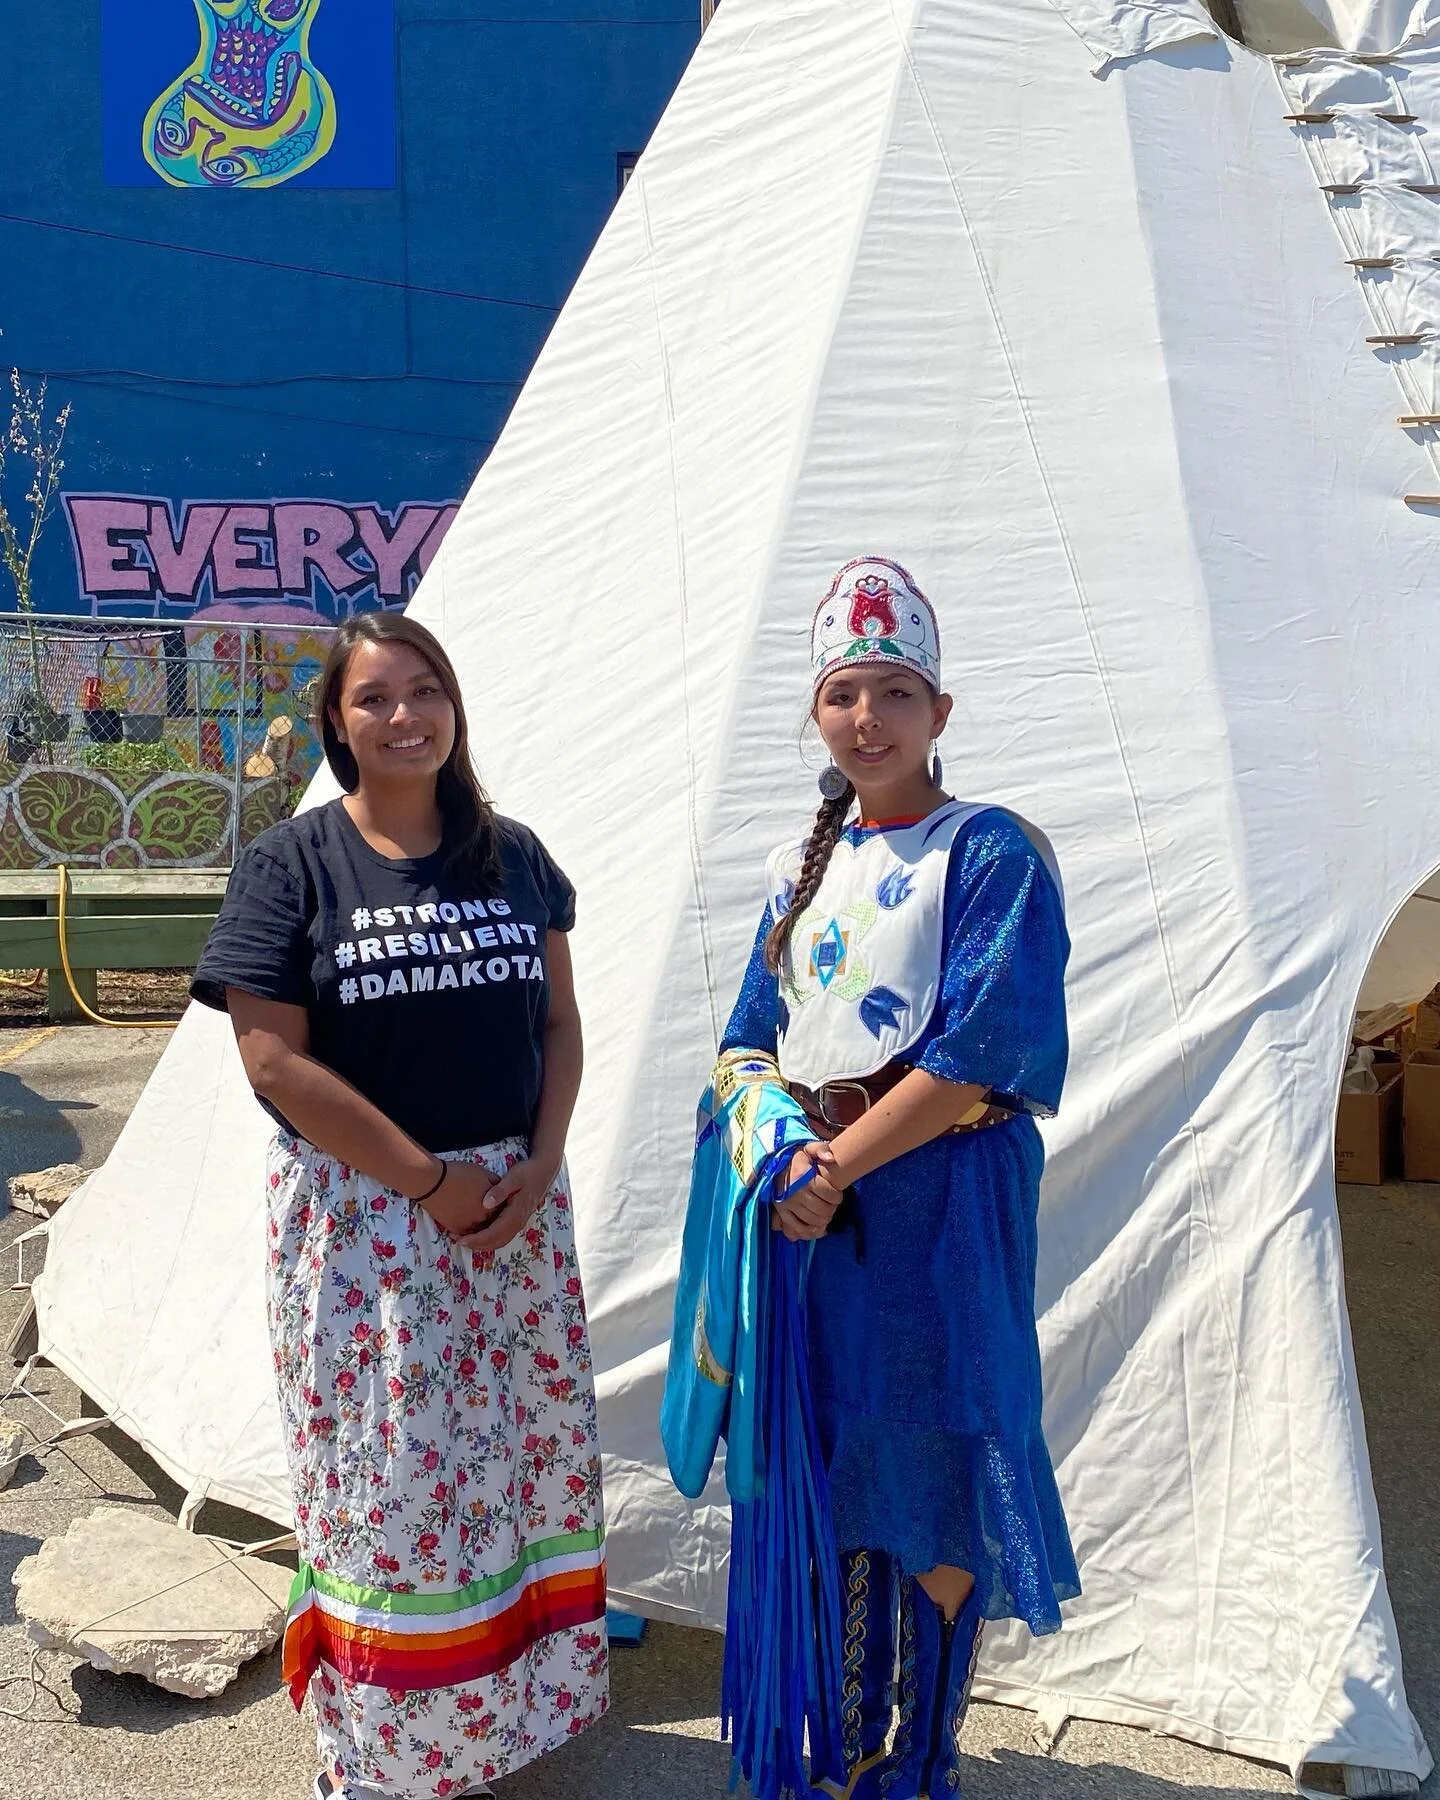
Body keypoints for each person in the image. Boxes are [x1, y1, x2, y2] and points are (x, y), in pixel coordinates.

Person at [191, 613, 607, 1800]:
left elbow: (559, 1023)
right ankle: (387, 1758)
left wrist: (540, 1157)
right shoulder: (296, 862)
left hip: (515, 1206)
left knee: (518, 1469)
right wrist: (429, 1179)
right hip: (372, 1220)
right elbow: (273, 1062)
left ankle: (496, 1729)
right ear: (338, 720)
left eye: (427, 690)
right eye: (375, 698)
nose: (406, 715)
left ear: (456, 707)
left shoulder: (513, 854)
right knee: (392, 1483)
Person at [719, 558, 1080, 1799]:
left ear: (938, 710)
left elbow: (984, 1057)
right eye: (842, 695)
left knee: (929, 1471)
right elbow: (744, 1044)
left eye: (893, 692)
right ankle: (842, 1752)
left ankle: (914, 1770)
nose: (866, 719)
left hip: (934, 1214)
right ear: (816, 713)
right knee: (838, 1467)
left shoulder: (988, 854)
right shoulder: (797, 862)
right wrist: (784, 1156)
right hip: (816, 1216)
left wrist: (834, 1163)